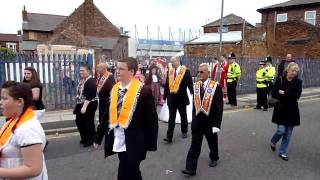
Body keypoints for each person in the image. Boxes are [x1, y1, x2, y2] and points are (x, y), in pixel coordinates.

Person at [93, 57, 158, 180]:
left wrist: (150, 144)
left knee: (124, 173)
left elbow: (152, 120)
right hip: (119, 138)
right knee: (132, 172)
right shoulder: (115, 89)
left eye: (121, 69)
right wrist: (98, 137)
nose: (117, 71)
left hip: (135, 142)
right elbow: (107, 114)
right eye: (117, 68)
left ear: (132, 72)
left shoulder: (143, 91)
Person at [0, 81, 48, 179]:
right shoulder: (13, 120)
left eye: (5, 98)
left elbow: (34, 169)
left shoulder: (28, 129)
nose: (0, 102)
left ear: (20, 102)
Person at [182, 63, 223, 176]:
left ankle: (214, 157)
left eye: (202, 72)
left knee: (212, 143)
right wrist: (193, 121)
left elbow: (219, 108)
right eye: (198, 72)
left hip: (210, 122)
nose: (199, 74)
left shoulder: (215, 86)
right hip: (198, 123)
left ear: (208, 73)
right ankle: (190, 168)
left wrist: (217, 124)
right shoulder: (195, 86)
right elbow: (194, 107)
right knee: (194, 145)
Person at [270, 62, 302, 161]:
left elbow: (297, 95)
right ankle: (273, 141)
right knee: (281, 130)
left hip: (292, 111)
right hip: (280, 109)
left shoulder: (298, 82)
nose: (294, 73)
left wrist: (284, 93)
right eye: (293, 70)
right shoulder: (280, 79)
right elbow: (274, 92)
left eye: (296, 71)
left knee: (288, 134)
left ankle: (282, 152)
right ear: (288, 70)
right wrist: (286, 94)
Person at [163, 56, 193, 143]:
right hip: (171, 99)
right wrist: (165, 96)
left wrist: (192, 91)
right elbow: (167, 85)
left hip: (181, 99)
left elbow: (189, 83)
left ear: (177, 61)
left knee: (183, 116)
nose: (171, 63)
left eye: (173, 62)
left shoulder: (185, 71)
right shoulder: (170, 71)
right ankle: (169, 137)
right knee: (171, 118)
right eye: (171, 62)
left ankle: (184, 131)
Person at [73, 64, 98, 147]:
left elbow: (90, 94)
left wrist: (84, 106)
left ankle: (90, 140)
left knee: (88, 122)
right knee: (80, 121)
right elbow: (81, 91)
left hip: (89, 104)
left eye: (83, 70)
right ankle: (85, 138)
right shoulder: (83, 80)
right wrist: (77, 97)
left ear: (88, 71)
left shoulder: (91, 81)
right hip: (82, 103)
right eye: (80, 70)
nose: (81, 72)